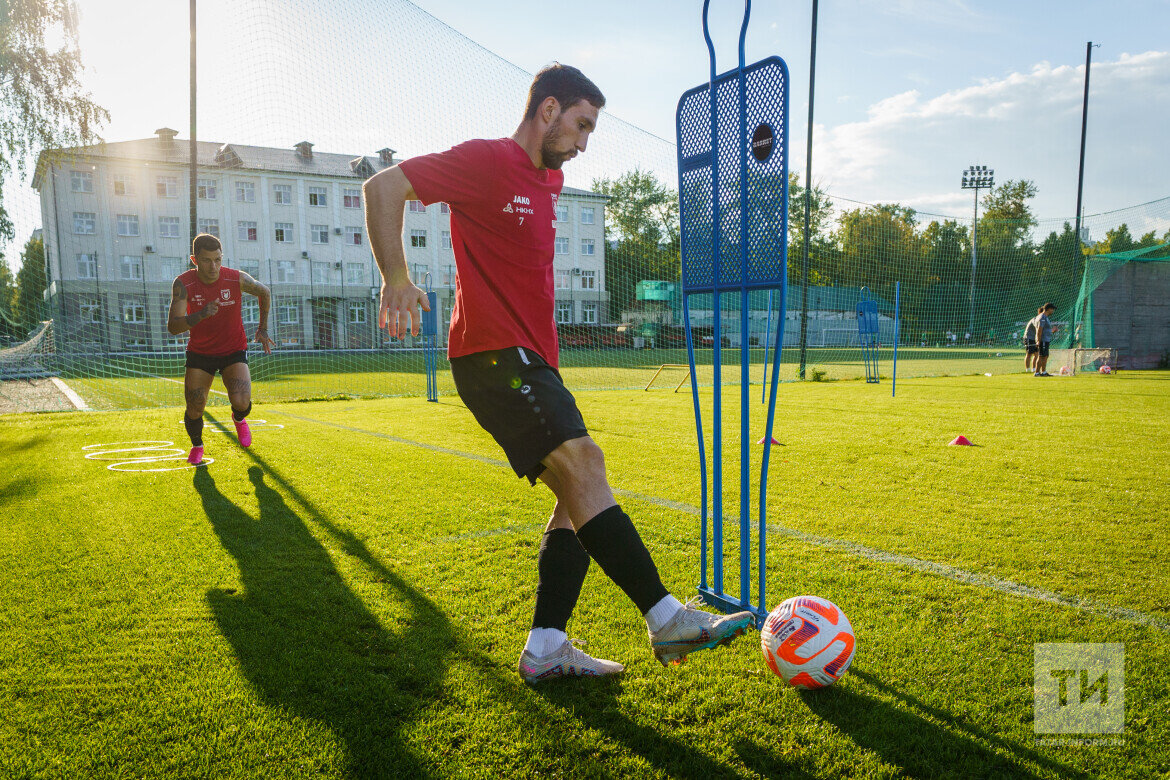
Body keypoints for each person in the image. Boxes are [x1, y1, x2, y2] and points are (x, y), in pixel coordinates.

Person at [363, 64, 754, 684]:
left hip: (532, 360)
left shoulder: (550, 183)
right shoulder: (487, 161)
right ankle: (665, 616)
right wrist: (397, 278)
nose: (583, 141)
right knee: (586, 465)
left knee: (575, 501)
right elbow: (384, 187)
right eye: (580, 125)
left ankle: (546, 647)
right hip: (493, 354)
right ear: (548, 110)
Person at [167, 233, 275, 464]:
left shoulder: (235, 279)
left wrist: (262, 329)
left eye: (218, 259)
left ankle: (238, 419)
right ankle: (197, 446)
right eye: (206, 260)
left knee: (241, 402)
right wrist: (200, 314)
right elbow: (173, 326)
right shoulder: (183, 283)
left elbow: (264, 291)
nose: (214, 266)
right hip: (200, 353)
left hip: (233, 350)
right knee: (195, 408)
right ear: (194, 260)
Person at [1034, 302, 1057, 377]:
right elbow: (1039, 330)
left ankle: (1043, 372)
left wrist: (1052, 331)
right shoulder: (1042, 317)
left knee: (1045, 356)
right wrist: (1038, 340)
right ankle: (1037, 373)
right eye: (1052, 309)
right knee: (1041, 356)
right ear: (1049, 309)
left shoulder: (1045, 317)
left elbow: (1045, 330)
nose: (1053, 311)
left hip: (1046, 340)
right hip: (1042, 340)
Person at [1023, 306, 1042, 373]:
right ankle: (1027, 369)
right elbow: (1038, 327)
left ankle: (1034, 369)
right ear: (1039, 313)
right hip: (1029, 337)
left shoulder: (1042, 320)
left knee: (1036, 354)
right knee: (1029, 354)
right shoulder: (1035, 319)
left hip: (1035, 338)